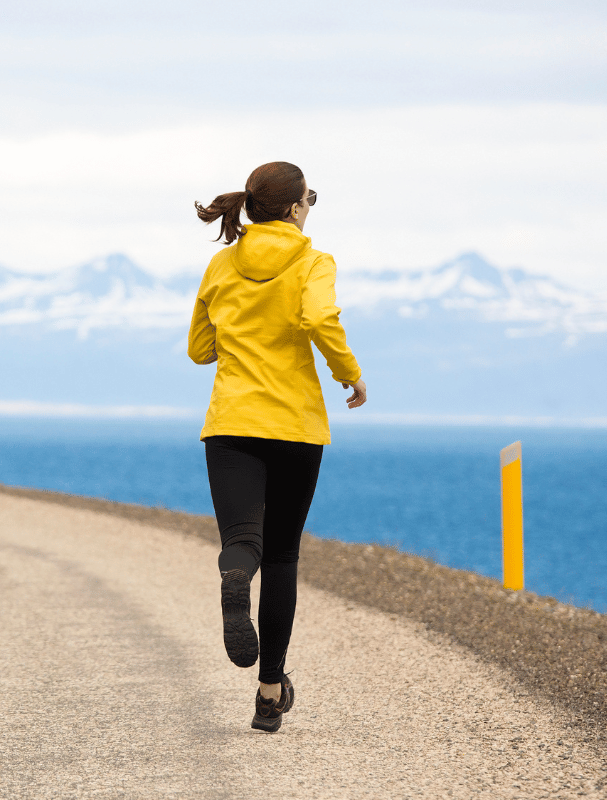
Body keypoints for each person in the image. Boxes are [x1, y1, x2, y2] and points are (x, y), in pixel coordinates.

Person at [188, 161, 367, 733]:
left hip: (231, 423)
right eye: (310, 198)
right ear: (294, 209)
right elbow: (319, 317)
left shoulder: (221, 264)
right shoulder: (313, 261)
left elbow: (199, 348)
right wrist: (350, 374)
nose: (310, 205)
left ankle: (235, 575)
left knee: (244, 543)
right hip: (294, 427)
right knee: (284, 556)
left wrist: (243, 339)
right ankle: (269, 695)